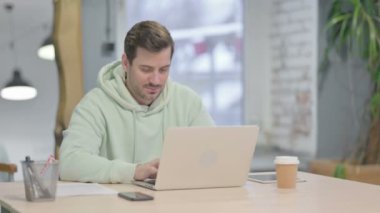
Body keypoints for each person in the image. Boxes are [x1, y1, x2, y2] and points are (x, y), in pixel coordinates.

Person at [59, 20, 214, 183]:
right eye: (146, 69)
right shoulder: (94, 105)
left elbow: (216, 155)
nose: (156, 80)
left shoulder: (188, 102)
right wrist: (132, 172)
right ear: (126, 63)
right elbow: (70, 162)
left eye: (163, 70)